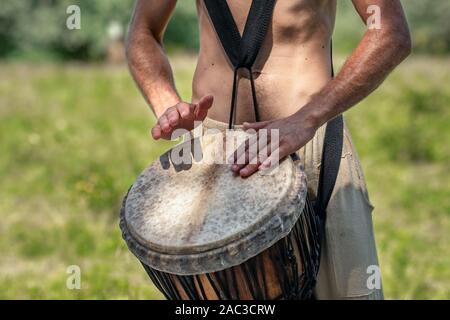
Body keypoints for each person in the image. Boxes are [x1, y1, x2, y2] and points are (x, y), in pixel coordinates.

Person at [125, 0, 411, 299]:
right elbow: (143, 31)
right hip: (213, 151)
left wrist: (307, 118)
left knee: (351, 292)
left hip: (311, 139)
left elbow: (390, 34)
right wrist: (168, 104)